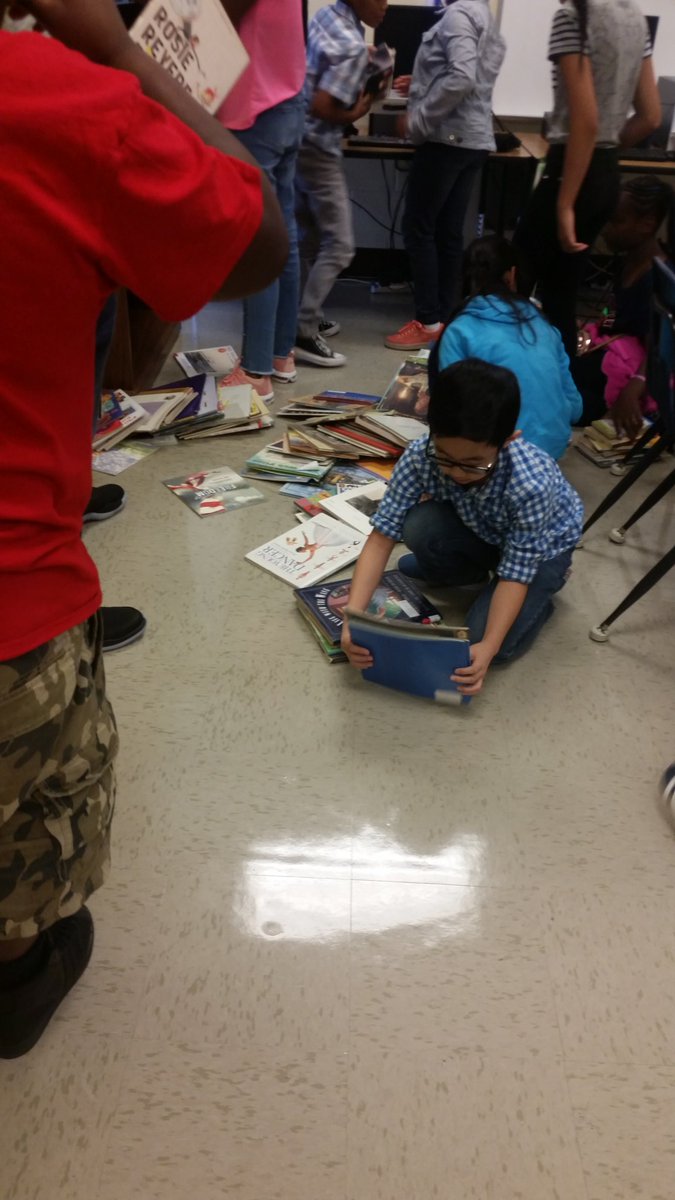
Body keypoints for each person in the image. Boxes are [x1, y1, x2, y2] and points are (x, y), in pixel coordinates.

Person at [0, 0, 286, 1059]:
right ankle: (23, 971)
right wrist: (115, 48)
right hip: (13, 613)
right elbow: (257, 241)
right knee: (33, 902)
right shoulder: (67, 101)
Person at [341, 359, 584, 695]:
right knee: (419, 526)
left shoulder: (532, 483)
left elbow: (516, 574)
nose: (456, 471)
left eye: (473, 464)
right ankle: (469, 574)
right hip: (485, 527)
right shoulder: (419, 455)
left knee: (485, 649)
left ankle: (543, 596)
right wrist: (355, 616)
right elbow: (382, 537)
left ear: (508, 440)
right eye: (444, 456)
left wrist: (491, 646)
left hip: (542, 552)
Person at [514, 0, 661, 361]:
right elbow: (650, 116)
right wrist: (603, 156)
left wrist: (565, 201)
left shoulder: (572, 17)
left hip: (572, 171)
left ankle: (505, 386)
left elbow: (585, 120)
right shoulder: (633, 19)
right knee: (562, 295)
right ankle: (561, 392)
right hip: (605, 173)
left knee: (513, 281)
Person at [384, 0, 506, 353]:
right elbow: (470, 75)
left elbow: (462, 77)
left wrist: (418, 120)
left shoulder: (457, 14)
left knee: (419, 228)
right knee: (449, 232)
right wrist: (420, 83)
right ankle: (445, 320)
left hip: (446, 139)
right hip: (472, 138)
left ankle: (427, 321)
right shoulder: (484, 16)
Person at [218, 0, 307, 403]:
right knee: (283, 232)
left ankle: (255, 371)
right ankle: (279, 353)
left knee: (260, 239)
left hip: (253, 108)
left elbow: (218, 17)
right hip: (288, 100)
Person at [294, 0, 388, 369]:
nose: (385, 6)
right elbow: (323, 106)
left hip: (295, 139)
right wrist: (363, 106)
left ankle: (301, 315)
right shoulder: (351, 44)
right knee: (341, 246)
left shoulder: (327, 15)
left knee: (307, 237)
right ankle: (302, 330)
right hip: (319, 146)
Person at [433, 234, 583, 460]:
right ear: (512, 275)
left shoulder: (459, 330)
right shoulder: (543, 324)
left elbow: (453, 406)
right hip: (553, 448)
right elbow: (575, 408)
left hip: (494, 453)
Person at [572, 175, 675, 436]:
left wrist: (635, 387)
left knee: (568, 388)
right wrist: (597, 327)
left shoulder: (654, 277)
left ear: (647, 224)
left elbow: (660, 344)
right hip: (613, 353)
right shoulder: (628, 261)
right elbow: (612, 309)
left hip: (634, 370)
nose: (606, 229)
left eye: (616, 221)